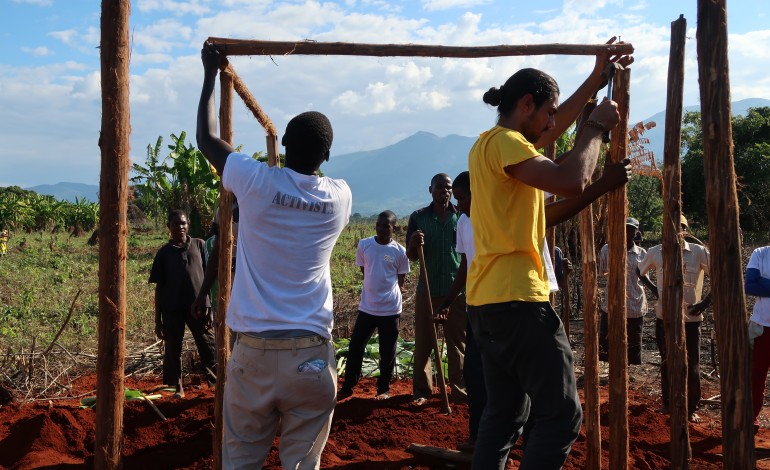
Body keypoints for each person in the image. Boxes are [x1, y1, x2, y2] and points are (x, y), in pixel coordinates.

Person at [466, 48, 631, 467]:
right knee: (560, 416)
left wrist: (597, 77)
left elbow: (552, 151)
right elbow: (571, 179)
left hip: (488, 304)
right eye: (549, 113)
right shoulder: (507, 144)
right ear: (526, 105)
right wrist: (595, 127)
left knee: (505, 415)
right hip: (519, 301)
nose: (554, 125)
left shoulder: (491, 146)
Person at [196, 43, 352, 469]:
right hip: (312, 356)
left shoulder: (256, 183)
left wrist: (211, 74)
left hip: (254, 356)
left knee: (242, 459)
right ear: (327, 156)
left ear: (282, 145)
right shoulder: (340, 197)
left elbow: (207, 139)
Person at [638, 214, 710, 423]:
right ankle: (668, 403)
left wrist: (704, 303)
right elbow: (639, 271)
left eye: (680, 229)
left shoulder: (697, 252)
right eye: (670, 229)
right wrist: (656, 292)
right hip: (664, 319)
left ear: (685, 231)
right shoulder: (655, 252)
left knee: (693, 365)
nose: (675, 233)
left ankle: (691, 408)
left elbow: (721, 274)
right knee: (667, 362)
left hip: (691, 320)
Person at [405, 172, 467, 406]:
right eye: (440, 187)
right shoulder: (419, 218)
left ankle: (459, 391)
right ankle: (422, 391)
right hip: (427, 290)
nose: (445, 191)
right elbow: (411, 257)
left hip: (455, 291)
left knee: (457, 344)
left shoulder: (461, 215)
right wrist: (412, 244)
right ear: (430, 189)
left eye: (448, 188)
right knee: (424, 342)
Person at [338, 210, 410, 401]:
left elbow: (400, 281)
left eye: (386, 226)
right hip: (367, 306)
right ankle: (348, 385)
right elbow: (365, 271)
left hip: (390, 308)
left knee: (387, 350)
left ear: (394, 228)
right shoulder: (364, 245)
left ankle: (383, 388)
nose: (381, 229)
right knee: (355, 346)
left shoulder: (400, 251)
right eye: (378, 225)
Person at [149, 209, 217, 398]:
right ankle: (176, 388)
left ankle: (215, 384)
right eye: (176, 224)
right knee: (173, 350)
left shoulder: (199, 245)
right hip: (172, 309)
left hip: (199, 308)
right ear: (168, 227)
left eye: (184, 223)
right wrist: (158, 321)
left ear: (188, 225)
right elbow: (159, 288)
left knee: (208, 346)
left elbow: (209, 277)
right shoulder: (163, 253)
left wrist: (210, 308)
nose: (180, 227)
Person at [598, 217, 650, 365]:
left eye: (632, 230)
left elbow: (644, 279)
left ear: (636, 232)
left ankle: (628, 377)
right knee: (606, 347)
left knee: (632, 349)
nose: (628, 232)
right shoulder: (607, 249)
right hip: (611, 306)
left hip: (634, 306)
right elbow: (603, 272)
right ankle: (609, 377)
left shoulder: (641, 253)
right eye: (625, 229)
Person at [746, 228, 770, 432]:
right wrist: (758, 283)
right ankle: (751, 418)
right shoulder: (760, 253)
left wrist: (765, 283)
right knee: (756, 375)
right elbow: (750, 285)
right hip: (763, 327)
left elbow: (758, 283)